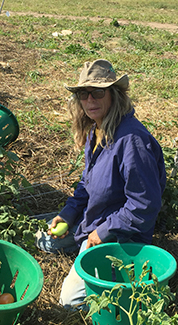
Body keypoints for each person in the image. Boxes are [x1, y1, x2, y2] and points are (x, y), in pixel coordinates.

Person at [36, 59, 167, 309]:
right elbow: (87, 184)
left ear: (114, 95)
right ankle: (83, 247)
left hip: (122, 235)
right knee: (42, 237)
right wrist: (67, 215)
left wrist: (103, 232)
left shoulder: (132, 141)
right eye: (83, 94)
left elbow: (144, 205)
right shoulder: (97, 130)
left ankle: (103, 263)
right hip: (93, 222)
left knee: (69, 302)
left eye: (98, 92)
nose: (90, 100)